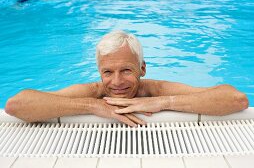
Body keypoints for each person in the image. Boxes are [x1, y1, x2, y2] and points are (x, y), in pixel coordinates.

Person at [5, 31, 249, 127]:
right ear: (99, 72)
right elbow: (16, 105)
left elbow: (236, 100)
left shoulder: (158, 90)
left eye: (127, 70)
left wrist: (162, 102)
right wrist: (93, 106)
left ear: (142, 69)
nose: (117, 82)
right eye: (108, 72)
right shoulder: (92, 92)